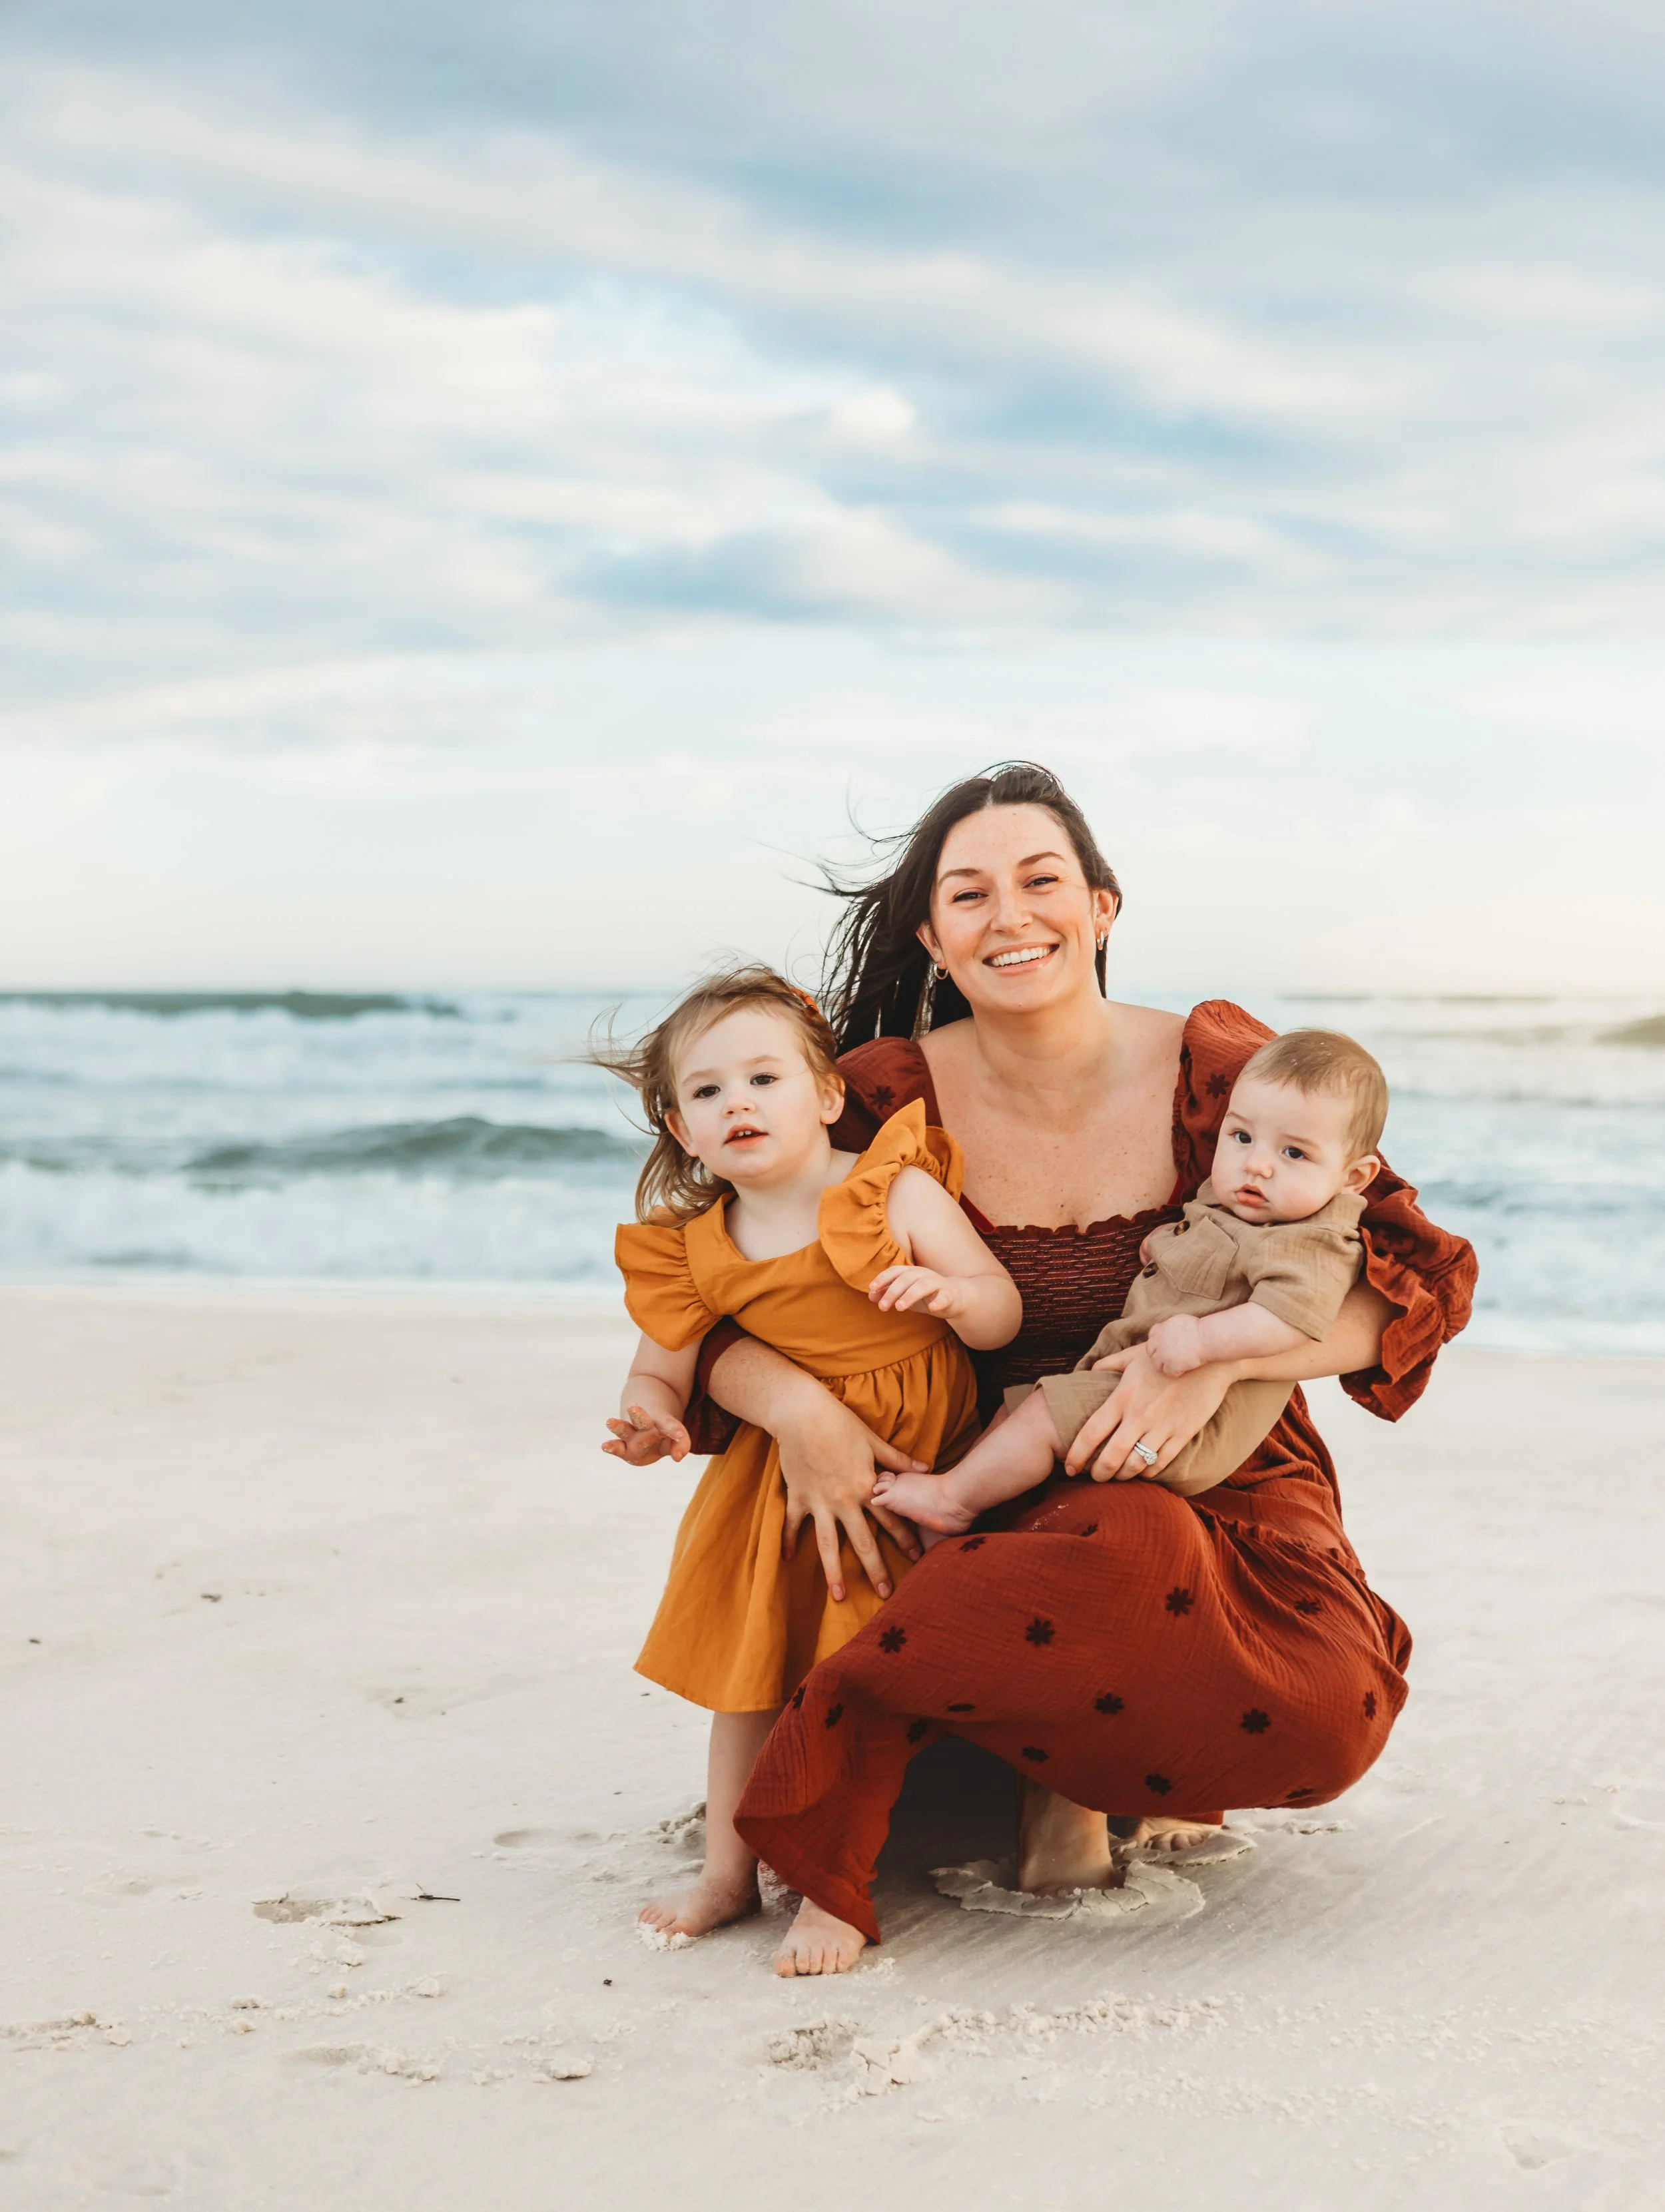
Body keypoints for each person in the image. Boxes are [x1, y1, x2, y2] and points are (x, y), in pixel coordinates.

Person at [668, 761, 1475, 1977]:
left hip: (1213, 1478)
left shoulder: (1224, 1071)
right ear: (934, 936)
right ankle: (985, 1759)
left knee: (1318, 1705)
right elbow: (715, 1284)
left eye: (1043, 881)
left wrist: (1199, 1363)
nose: (1013, 916)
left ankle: (1045, 1763)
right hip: (971, 1473)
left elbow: (1406, 1290)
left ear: (1101, 908)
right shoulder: (886, 1098)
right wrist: (800, 1414)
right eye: (972, 895)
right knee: (1058, 1572)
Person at [596, 966, 1020, 1940]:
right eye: (706, 1091)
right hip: (770, 1494)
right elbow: (661, 1371)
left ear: (827, 1095)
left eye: (763, 1078)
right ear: (678, 1125)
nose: (736, 1102)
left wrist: (955, 1298)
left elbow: (1000, 1311)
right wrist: (647, 1418)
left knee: (857, 1682)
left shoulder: (890, 1191)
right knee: (749, 1687)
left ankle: (834, 1886)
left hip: (910, 1466)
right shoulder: (696, 1248)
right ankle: (726, 1872)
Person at [872, 1027, 1387, 1537]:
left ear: (1354, 1177)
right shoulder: (1239, 1199)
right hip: (1115, 1378)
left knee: (1040, 1419)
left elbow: (1291, 1318)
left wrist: (1208, 1345)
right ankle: (960, 1503)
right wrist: (1170, 1240)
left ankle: (954, 1503)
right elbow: (1213, 1243)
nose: (1257, 1164)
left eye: (1294, 1154)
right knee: (1014, 1413)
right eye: (1242, 1136)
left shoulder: (1313, 1240)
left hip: (1187, 1426)